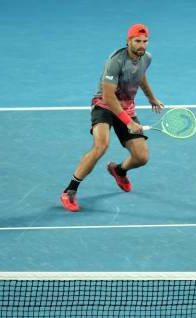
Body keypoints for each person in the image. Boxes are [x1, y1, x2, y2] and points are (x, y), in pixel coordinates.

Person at [60, 23, 164, 212]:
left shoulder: (146, 58)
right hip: (105, 105)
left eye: (145, 41)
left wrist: (151, 97)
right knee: (101, 145)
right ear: (128, 41)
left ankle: (118, 170)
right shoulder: (115, 61)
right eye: (137, 41)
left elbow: (140, 76)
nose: (142, 45)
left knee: (141, 157)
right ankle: (70, 190)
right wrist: (129, 122)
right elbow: (108, 96)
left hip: (127, 107)